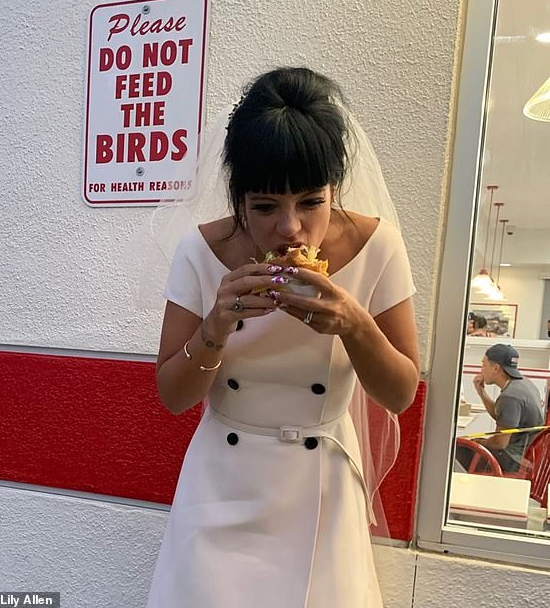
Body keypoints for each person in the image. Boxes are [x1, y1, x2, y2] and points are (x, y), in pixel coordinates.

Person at [145, 67, 420, 608]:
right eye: (266, 207)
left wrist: (354, 324)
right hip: (221, 485)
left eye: (311, 202)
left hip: (321, 486)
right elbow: (173, 397)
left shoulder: (377, 247)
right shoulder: (199, 253)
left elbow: (401, 393)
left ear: (333, 189)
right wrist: (215, 327)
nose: (290, 229)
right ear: (238, 197)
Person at [456, 343, 544, 473]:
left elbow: (500, 443)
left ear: (496, 368)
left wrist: (478, 442)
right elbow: (502, 417)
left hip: (514, 459)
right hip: (528, 454)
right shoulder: (524, 384)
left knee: (456, 451)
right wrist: (481, 392)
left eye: (484, 365)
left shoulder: (510, 397)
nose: (481, 370)